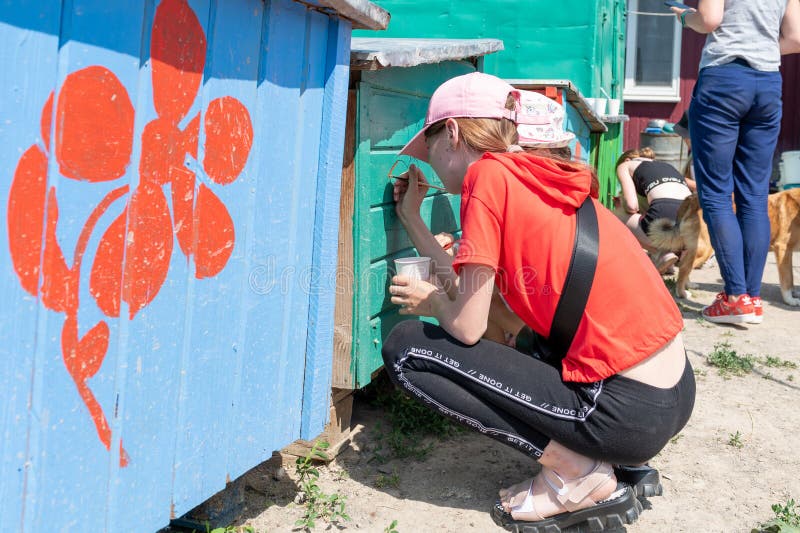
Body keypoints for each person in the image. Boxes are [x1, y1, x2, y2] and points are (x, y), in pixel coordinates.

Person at [381, 72, 695, 531]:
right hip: (672, 394)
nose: (429, 163)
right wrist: (413, 220)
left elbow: (467, 326)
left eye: (428, 149)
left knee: (408, 349)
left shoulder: (484, 175)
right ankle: (614, 462)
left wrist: (431, 302)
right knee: (522, 338)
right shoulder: (535, 174)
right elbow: (478, 292)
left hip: (626, 409)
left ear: (451, 133)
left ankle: (579, 475)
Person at [670, 0, 799, 324]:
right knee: (754, 194)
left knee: (715, 192)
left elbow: (710, 20)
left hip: (725, 78)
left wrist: (686, 17)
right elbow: (795, 37)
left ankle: (734, 299)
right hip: (768, 82)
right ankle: (751, 300)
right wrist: (762, 48)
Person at [614, 148, 693, 273]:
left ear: (627, 160)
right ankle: (672, 260)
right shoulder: (668, 166)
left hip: (666, 213)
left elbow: (632, 206)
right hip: (691, 223)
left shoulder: (625, 165)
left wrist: (623, 205)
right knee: (655, 213)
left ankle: (662, 254)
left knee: (616, 216)